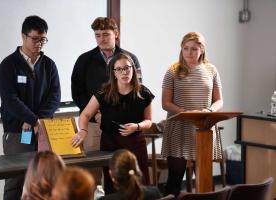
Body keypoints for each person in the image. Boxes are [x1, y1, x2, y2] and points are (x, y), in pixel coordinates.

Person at [72, 52, 154, 194]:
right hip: (111, 145)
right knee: (113, 189)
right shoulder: (104, 92)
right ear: (113, 72)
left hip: (136, 144)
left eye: (127, 68)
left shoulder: (143, 92)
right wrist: (83, 130)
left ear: (133, 69)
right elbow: (85, 114)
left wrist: (137, 126)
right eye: (119, 69)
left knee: (139, 186)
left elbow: (149, 121)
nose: (124, 72)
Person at [0, 15, 61, 200]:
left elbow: (55, 96)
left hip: (42, 131)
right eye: (35, 39)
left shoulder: (49, 64)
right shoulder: (9, 64)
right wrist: (31, 120)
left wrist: (38, 121)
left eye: (43, 39)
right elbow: (10, 99)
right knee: (15, 180)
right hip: (19, 132)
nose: (39, 44)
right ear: (23, 37)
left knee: (43, 180)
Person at [161, 32, 223, 198]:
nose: (189, 52)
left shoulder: (211, 70)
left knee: (204, 180)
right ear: (181, 49)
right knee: (175, 178)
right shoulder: (172, 70)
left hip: (203, 126)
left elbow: (219, 101)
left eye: (194, 49)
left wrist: (209, 111)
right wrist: (185, 112)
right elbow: (165, 103)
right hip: (180, 126)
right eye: (185, 48)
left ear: (202, 50)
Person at [71, 17, 142, 155]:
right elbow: (77, 92)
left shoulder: (130, 59)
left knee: (121, 168)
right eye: (97, 35)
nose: (101, 39)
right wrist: (95, 113)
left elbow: (136, 90)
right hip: (92, 123)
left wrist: (111, 114)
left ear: (116, 34)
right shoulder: (84, 60)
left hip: (121, 123)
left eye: (105, 34)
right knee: (94, 170)